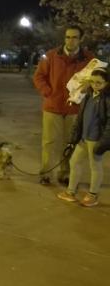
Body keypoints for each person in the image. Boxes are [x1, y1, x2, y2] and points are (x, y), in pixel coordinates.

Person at [33, 25, 94, 186]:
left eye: (74, 37)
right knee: (49, 142)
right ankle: (46, 173)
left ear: (81, 39)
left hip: (74, 109)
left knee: (70, 142)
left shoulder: (89, 59)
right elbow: (39, 76)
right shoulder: (51, 56)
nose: (70, 40)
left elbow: (96, 81)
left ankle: (65, 173)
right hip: (52, 107)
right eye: (67, 37)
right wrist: (48, 92)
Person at [57, 68, 110, 207]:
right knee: (74, 162)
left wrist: (103, 142)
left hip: (96, 139)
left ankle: (93, 195)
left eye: (99, 82)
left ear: (106, 83)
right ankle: (70, 192)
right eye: (92, 82)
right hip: (83, 138)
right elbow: (80, 118)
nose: (95, 85)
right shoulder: (88, 95)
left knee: (95, 166)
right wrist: (74, 137)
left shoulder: (107, 98)